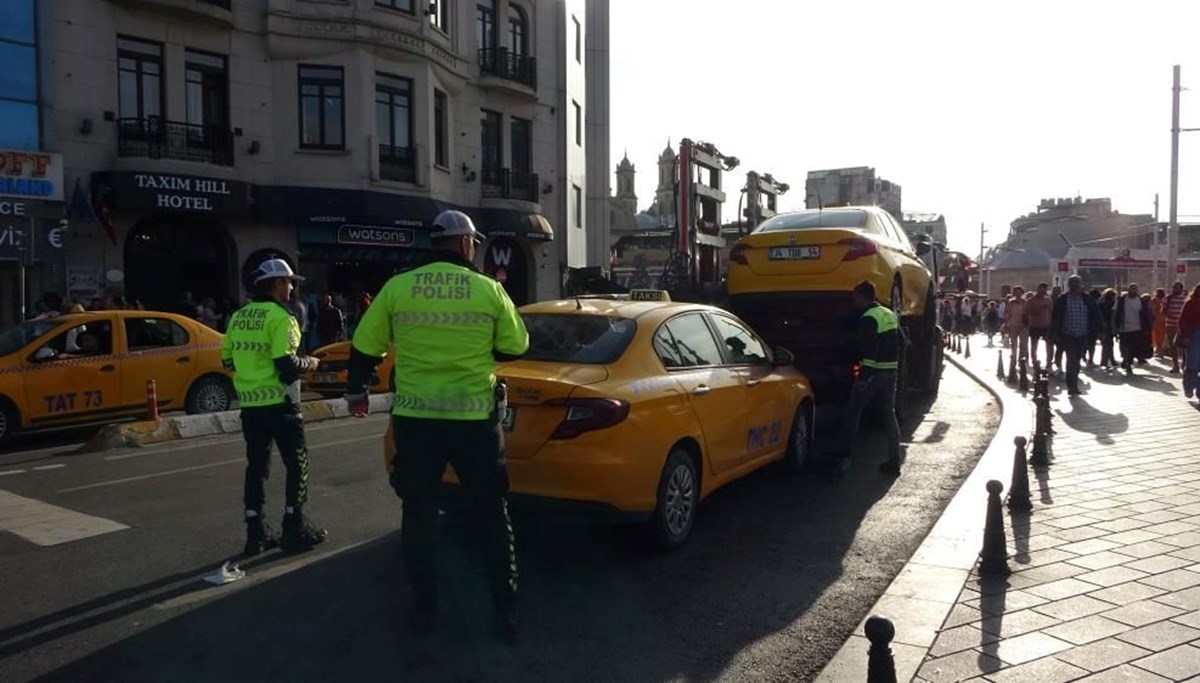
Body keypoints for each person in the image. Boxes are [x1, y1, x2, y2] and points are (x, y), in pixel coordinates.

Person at [345, 210, 529, 643]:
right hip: (474, 424)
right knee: (491, 515)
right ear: (467, 244)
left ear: (435, 244)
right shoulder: (489, 290)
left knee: (419, 515)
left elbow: (363, 347)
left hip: (416, 423)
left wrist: (357, 391)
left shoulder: (397, 288)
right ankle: (505, 611)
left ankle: (425, 609)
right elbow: (516, 346)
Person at [221, 259, 327, 557]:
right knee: (298, 464)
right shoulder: (282, 317)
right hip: (282, 405)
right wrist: (311, 363)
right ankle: (294, 527)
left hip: (251, 406)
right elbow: (287, 366)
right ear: (278, 283)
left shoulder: (238, 317)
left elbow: (227, 361)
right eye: (289, 282)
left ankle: (255, 533)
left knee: (256, 468)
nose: (292, 288)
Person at [837, 280, 903, 476]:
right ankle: (894, 461)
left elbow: (869, 350)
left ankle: (845, 454)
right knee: (889, 415)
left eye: (855, 297)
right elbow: (902, 341)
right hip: (891, 371)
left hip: (873, 373)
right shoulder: (889, 313)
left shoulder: (868, 317)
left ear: (861, 297)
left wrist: (864, 377)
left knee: (853, 411)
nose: (853, 301)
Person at [1051, 275, 1101, 396]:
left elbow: (1095, 316)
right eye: (1072, 283)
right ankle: (1071, 385)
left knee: (1077, 360)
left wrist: (1099, 331)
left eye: (1077, 283)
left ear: (1080, 284)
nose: (1075, 285)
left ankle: (1074, 381)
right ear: (1069, 285)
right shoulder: (1062, 300)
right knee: (1071, 359)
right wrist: (1054, 333)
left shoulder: (1087, 299)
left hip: (1083, 335)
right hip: (1068, 334)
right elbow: (1055, 318)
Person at [1115, 283, 1152, 375]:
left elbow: (1145, 315)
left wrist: (1147, 328)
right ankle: (1125, 359)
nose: (1133, 291)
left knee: (1133, 347)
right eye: (1132, 289)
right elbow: (1116, 313)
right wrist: (1115, 327)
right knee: (1124, 346)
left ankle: (1129, 362)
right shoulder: (1122, 300)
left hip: (1137, 328)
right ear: (1128, 290)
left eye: (1135, 289)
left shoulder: (1141, 301)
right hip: (1124, 328)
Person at [1177, 283, 1200, 399]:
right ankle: (1189, 387)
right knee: (1193, 364)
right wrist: (1186, 335)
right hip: (1194, 335)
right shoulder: (1190, 303)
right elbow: (1182, 320)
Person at [1026, 283, 1053, 368]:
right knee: (1034, 345)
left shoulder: (1048, 300)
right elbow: (1028, 313)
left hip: (1046, 325)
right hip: (1035, 325)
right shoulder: (1031, 300)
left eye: (1043, 290)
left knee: (1049, 344)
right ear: (1037, 290)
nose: (1042, 291)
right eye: (1040, 289)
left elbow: (1051, 312)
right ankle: (1034, 361)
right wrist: (1039, 309)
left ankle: (1049, 363)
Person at [1004, 286, 1030, 372]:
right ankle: (1013, 359)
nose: (1018, 294)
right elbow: (1007, 313)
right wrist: (1006, 324)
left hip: (1023, 326)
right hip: (1013, 325)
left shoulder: (1025, 302)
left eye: (1020, 293)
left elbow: (1028, 313)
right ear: (1014, 294)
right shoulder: (1011, 303)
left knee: (1023, 344)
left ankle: (1021, 360)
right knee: (1014, 344)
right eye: (1016, 293)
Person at [1164, 281, 1187, 373]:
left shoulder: (1185, 299)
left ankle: (1185, 364)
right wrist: (1168, 313)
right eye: (1174, 287)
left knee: (1185, 345)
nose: (1175, 289)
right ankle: (1175, 366)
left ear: (1181, 289)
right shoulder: (1168, 298)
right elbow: (1163, 311)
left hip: (1183, 325)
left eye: (1177, 287)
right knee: (1173, 345)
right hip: (1170, 324)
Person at [1097, 288, 1118, 368]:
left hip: (1102, 326)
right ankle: (1108, 361)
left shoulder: (1100, 303)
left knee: (1105, 344)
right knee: (1109, 344)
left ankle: (1105, 360)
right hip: (1109, 325)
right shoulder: (1113, 303)